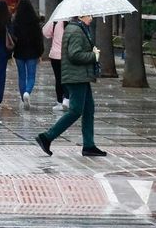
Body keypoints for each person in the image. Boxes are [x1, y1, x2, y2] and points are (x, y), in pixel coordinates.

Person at [34, 14, 106, 157]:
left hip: (81, 76)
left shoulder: (79, 29)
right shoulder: (75, 31)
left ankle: (89, 145)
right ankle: (47, 137)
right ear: (80, 16)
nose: (91, 18)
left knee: (88, 110)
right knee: (75, 111)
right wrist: (94, 56)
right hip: (76, 77)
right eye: (88, 15)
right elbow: (74, 54)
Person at [11, 0, 45, 108]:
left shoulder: (15, 23)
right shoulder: (35, 23)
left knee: (21, 76)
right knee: (31, 76)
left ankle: (23, 97)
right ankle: (27, 92)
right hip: (32, 53)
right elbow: (39, 40)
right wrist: (40, 53)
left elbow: (12, 38)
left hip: (19, 53)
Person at [43, 17, 68, 109]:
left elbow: (45, 33)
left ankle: (59, 102)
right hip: (67, 55)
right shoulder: (73, 23)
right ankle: (67, 98)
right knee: (67, 77)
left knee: (58, 78)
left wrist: (52, 21)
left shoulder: (56, 21)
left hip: (55, 55)